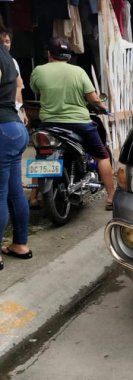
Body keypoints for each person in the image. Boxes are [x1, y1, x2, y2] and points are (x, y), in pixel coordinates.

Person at [29, 37, 115, 210]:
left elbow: (36, 90)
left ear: (49, 53)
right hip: (79, 123)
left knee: (41, 155)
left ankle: (33, 197)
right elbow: (93, 98)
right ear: (68, 55)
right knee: (102, 156)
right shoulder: (78, 72)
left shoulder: (38, 70)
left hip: (49, 124)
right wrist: (102, 107)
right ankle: (111, 197)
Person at [0, 28, 32, 267]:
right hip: (15, 127)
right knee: (14, 191)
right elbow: (18, 87)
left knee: (1, 194)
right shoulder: (9, 59)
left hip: (2, 128)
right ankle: (20, 244)